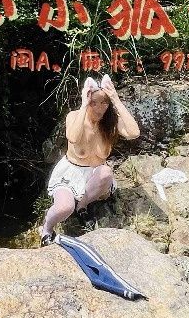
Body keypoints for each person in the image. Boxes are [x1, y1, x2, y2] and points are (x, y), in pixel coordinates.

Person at [40, 75, 140, 247]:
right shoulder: (74, 116)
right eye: (94, 102)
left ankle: (82, 206)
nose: (99, 108)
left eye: (104, 103)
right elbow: (72, 137)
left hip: (95, 175)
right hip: (71, 173)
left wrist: (116, 99)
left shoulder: (110, 122)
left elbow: (134, 133)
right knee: (65, 208)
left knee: (106, 172)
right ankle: (46, 229)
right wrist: (84, 104)